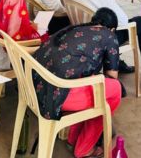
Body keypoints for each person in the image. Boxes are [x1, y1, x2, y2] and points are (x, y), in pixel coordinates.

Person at [33, 8, 122, 158]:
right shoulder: (109, 35)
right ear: (112, 29)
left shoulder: (75, 28)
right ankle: (84, 148)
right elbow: (112, 76)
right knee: (114, 90)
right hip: (56, 96)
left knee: (90, 82)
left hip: (36, 87)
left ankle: (73, 138)